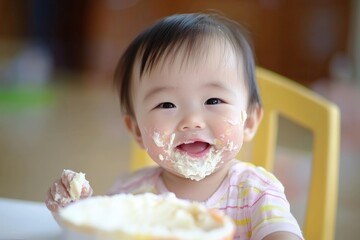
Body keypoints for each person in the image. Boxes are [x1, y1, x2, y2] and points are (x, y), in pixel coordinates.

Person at [46, 13, 304, 240]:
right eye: (166, 104)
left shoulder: (256, 192)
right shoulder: (132, 196)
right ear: (137, 130)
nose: (192, 120)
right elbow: (100, 233)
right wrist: (76, 211)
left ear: (248, 121)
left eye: (213, 100)